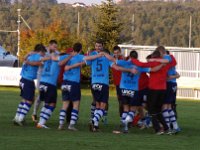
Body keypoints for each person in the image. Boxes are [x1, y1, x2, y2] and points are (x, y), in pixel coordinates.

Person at [131, 47, 176, 135]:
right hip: (163, 89)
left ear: (153, 56)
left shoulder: (153, 63)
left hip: (154, 89)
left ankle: (158, 129)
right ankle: (166, 128)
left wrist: (132, 60)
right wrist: (167, 55)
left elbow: (141, 65)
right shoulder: (165, 63)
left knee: (152, 110)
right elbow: (173, 61)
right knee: (158, 110)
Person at [13, 44, 47, 126]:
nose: (44, 55)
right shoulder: (37, 56)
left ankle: (17, 117)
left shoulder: (30, 55)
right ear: (40, 51)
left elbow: (25, 59)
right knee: (29, 100)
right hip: (28, 81)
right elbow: (36, 63)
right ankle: (20, 119)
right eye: (43, 53)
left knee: (24, 100)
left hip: (22, 79)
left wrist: (27, 57)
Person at [58, 43, 86, 131]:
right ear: (80, 49)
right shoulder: (80, 57)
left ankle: (61, 124)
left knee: (65, 104)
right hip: (74, 83)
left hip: (65, 82)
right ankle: (72, 125)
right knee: (76, 104)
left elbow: (60, 63)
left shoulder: (67, 56)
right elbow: (86, 62)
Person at [32, 40, 59, 122]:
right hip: (41, 75)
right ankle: (34, 113)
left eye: (56, 47)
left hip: (49, 77)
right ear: (49, 45)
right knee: (40, 95)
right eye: (54, 46)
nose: (55, 48)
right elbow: (38, 60)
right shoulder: (44, 52)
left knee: (46, 96)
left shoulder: (56, 53)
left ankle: (42, 115)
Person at [111, 46, 123, 119]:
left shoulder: (123, 59)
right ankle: (122, 119)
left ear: (120, 52)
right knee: (120, 102)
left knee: (125, 102)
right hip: (117, 84)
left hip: (125, 84)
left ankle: (127, 119)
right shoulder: (111, 60)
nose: (116, 54)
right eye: (115, 53)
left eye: (117, 53)